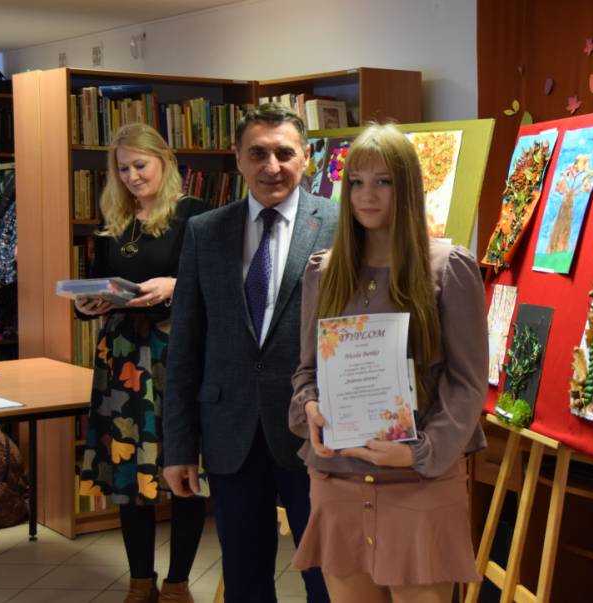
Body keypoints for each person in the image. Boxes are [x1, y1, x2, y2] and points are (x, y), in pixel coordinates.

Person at [288, 124, 488, 603]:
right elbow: (307, 372)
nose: (367, 195)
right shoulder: (325, 270)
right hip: (338, 479)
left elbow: (467, 383)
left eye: (383, 181)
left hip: (419, 481)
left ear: (409, 187)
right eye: (356, 182)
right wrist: (310, 407)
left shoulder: (448, 267)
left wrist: (418, 452)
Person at [163, 104, 336, 603]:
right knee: (244, 580)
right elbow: (186, 345)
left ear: (306, 158)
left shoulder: (341, 224)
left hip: (317, 433)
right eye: (257, 153)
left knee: (327, 578)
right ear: (237, 158)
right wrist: (179, 448)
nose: (271, 166)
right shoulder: (205, 232)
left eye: (284, 153)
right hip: (229, 432)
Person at [75, 122, 209, 603]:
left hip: (175, 353)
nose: (132, 176)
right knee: (127, 472)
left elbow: (217, 286)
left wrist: (175, 285)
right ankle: (139, 581)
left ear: (165, 161)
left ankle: (177, 583)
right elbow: (98, 279)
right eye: (123, 169)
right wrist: (88, 303)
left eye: (140, 165)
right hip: (121, 356)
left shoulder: (195, 215)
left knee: (181, 469)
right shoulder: (114, 219)